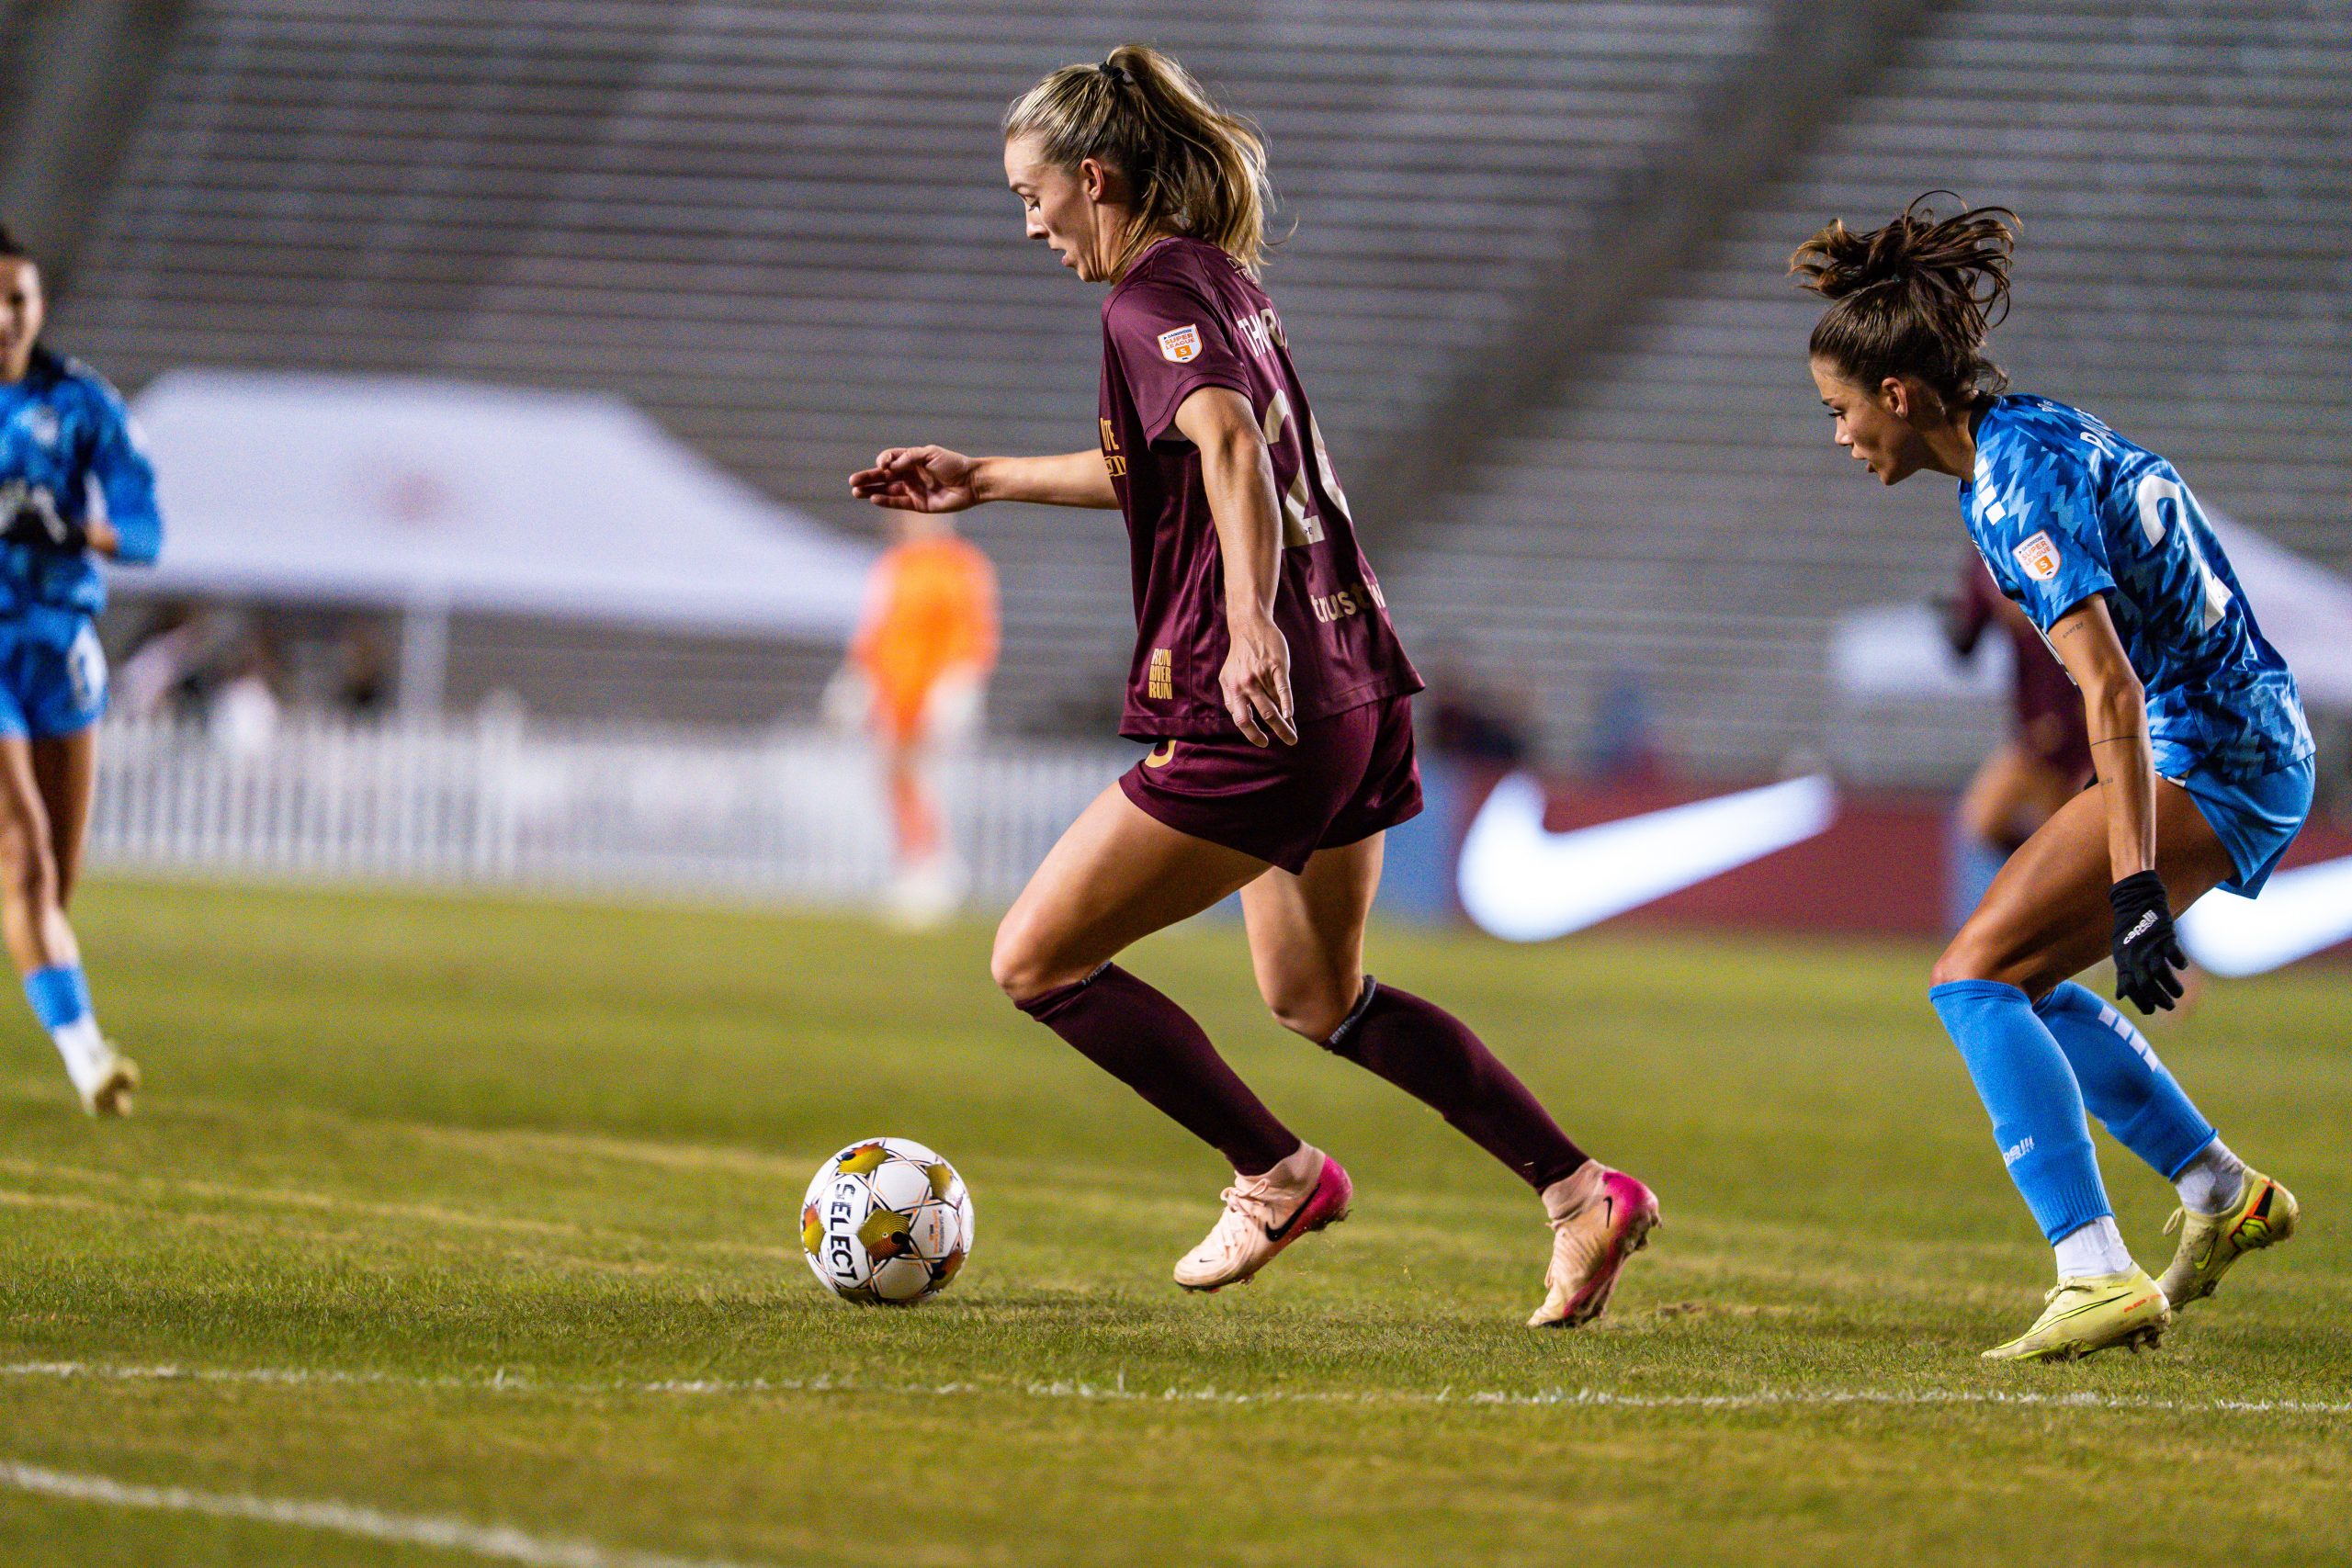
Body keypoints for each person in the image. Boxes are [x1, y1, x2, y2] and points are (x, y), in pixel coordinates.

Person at [851, 46, 1657, 1325]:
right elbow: (1177, 457)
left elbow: (1228, 445)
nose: (1030, 223)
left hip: (1260, 702)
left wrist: (1245, 625)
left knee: (1038, 959)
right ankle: (1579, 1191)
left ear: (1093, 177)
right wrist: (986, 476)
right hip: (1358, 680)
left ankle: (1275, 1173)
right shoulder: (1216, 281)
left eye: (1031, 195)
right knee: (1318, 994)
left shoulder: (1145, 301)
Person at [1793, 195, 2309, 1361]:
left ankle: (2095, 1271)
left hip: (2213, 747)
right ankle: (2221, 1192)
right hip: (2236, 734)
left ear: (1897, 395)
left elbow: (2109, 688)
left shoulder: (2008, 484)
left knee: (1973, 977)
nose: (1837, 436)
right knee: (2008, 979)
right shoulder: (2029, 432)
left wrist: (2134, 886)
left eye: (1838, 411)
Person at [0, 223, 162, 1115]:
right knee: (22, 853)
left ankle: (64, 1019)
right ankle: (90, 1059)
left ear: (40, 305)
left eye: (17, 298)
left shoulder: (82, 404)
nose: (4, 316)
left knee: (52, 886)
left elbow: (146, 529)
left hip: (60, 652)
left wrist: (73, 531)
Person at [827, 510, 999, 927]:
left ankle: (935, 870)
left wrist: (959, 684)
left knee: (922, 779)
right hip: (897, 693)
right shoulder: (895, 564)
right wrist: (857, 680)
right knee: (895, 779)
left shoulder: (960, 564)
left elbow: (972, 631)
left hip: (934, 691)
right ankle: (916, 864)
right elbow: (876, 631)